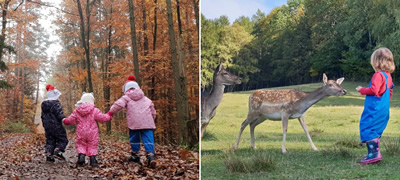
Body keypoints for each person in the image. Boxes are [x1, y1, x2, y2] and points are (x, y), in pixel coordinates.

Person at [356, 47, 395, 165]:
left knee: (367, 127)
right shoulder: (388, 76)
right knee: (375, 129)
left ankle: (373, 154)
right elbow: (390, 91)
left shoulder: (378, 75)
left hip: (374, 108)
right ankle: (373, 152)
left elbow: (374, 90)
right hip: (383, 108)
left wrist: (362, 90)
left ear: (376, 62)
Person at [109, 77, 157, 168]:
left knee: (134, 138)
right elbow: (152, 110)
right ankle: (151, 156)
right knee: (148, 138)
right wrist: (152, 118)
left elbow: (118, 104)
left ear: (126, 89)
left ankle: (135, 155)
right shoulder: (146, 98)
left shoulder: (126, 97)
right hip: (147, 122)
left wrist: (111, 112)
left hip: (134, 123)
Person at [63, 92, 113, 167]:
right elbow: (102, 118)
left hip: (81, 131)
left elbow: (71, 120)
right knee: (92, 145)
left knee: (81, 144)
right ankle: (93, 159)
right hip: (92, 132)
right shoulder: (94, 110)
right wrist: (109, 115)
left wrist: (65, 121)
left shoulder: (77, 111)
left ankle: (81, 156)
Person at [41, 84, 69, 162]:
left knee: (50, 140)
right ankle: (58, 150)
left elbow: (42, 116)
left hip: (47, 126)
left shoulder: (44, 104)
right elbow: (59, 113)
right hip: (56, 125)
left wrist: (44, 124)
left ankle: (49, 155)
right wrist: (63, 119)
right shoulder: (56, 103)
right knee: (63, 139)